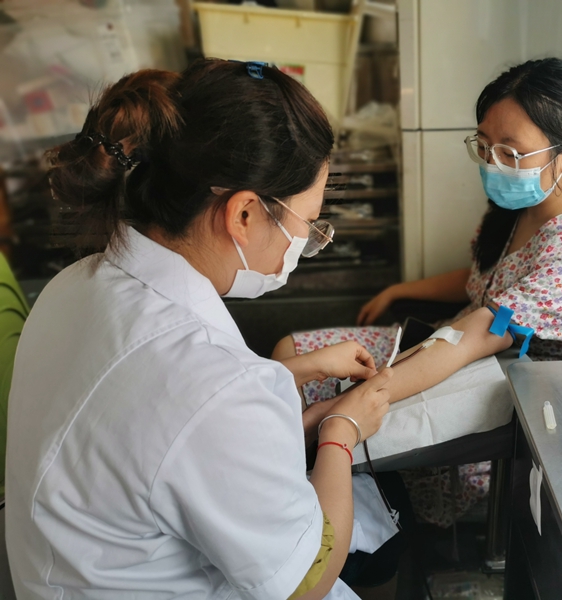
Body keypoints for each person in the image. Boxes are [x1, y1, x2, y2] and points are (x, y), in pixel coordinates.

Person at [6, 59, 407, 600]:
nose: (307, 244)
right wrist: (341, 430)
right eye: (309, 225)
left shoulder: (75, 284)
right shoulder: (210, 384)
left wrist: (285, 379)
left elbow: (150, 427)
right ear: (243, 215)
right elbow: (306, 580)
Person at [273, 58, 562, 526]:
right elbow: (483, 280)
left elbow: (478, 334)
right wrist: (399, 290)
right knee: (290, 354)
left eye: (510, 152)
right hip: (443, 342)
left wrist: (335, 409)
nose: (493, 163)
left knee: (313, 432)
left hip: (484, 393)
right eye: (484, 146)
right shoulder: (526, 203)